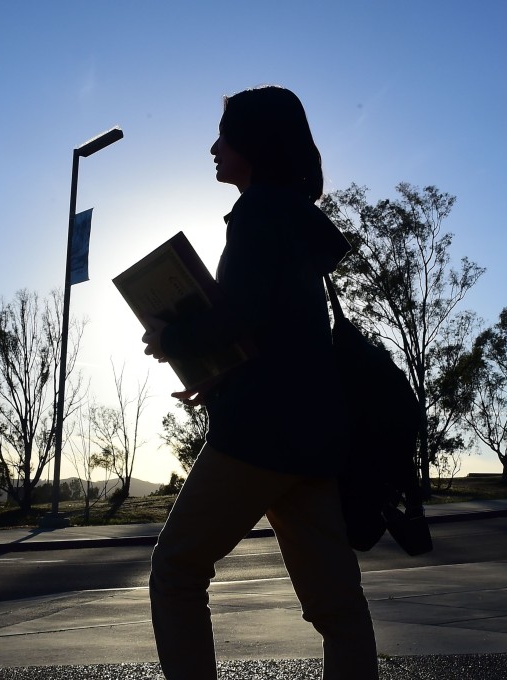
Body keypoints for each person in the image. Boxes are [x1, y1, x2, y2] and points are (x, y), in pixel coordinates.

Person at [141, 85, 378, 679]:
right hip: (313, 437)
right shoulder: (295, 220)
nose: (214, 147)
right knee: (338, 608)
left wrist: (173, 342)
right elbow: (277, 333)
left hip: (259, 436)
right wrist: (213, 379)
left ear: (253, 142)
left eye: (225, 135)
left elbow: (237, 319)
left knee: (176, 571)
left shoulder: (257, 215)